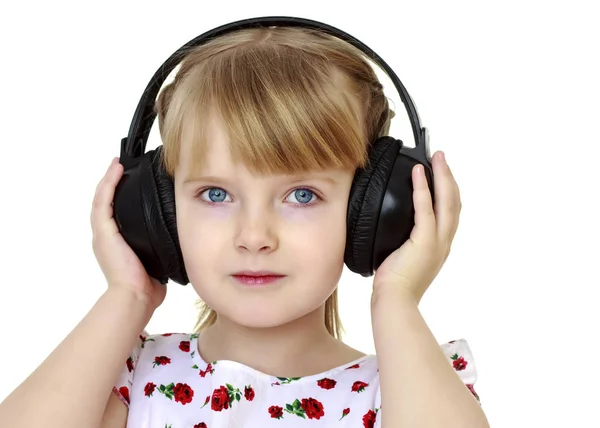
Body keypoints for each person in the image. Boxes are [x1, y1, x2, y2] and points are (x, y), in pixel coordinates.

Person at [0, 24, 489, 428]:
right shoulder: (126, 376)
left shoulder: (409, 387)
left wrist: (397, 297)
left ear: (378, 209)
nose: (254, 237)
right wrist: (126, 295)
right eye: (216, 194)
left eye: (302, 195)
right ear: (156, 212)